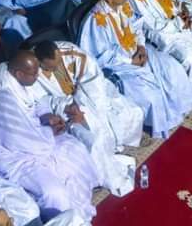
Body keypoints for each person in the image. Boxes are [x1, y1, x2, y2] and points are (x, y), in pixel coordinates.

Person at [0, 51, 101, 223]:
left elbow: (34, 104)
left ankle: (80, 204)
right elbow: (23, 141)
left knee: (75, 149)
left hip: (32, 139)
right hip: (9, 153)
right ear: (19, 74)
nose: (38, 75)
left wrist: (47, 116)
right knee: (53, 191)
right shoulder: (2, 98)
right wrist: (50, 131)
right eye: (34, 73)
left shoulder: (16, 79)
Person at [80, 0, 192, 138]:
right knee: (152, 94)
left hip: (139, 50)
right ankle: (158, 124)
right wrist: (130, 60)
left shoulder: (123, 5)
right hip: (118, 64)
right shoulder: (95, 20)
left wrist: (141, 46)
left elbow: (137, 27)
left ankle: (177, 110)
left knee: (173, 70)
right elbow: (102, 55)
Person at [31, 40, 141, 197]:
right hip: (63, 109)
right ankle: (105, 170)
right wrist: (67, 106)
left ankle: (113, 147)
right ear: (40, 62)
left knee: (130, 113)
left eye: (58, 63)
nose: (57, 68)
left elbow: (93, 79)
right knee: (92, 139)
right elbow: (41, 101)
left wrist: (83, 104)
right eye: (52, 68)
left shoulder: (70, 52)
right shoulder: (32, 69)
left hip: (88, 95)